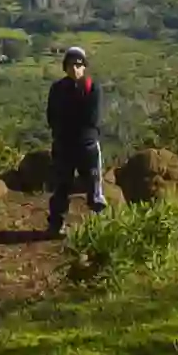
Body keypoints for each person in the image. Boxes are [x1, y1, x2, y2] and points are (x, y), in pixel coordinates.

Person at [45, 46, 107, 237]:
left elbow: (92, 118)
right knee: (62, 186)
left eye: (79, 65)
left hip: (86, 144)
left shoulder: (92, 88)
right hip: (64, 144)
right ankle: (56, 224)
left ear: (84, 67)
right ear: (65, 67)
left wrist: (67, 124)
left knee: (94, 187)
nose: (75, 68)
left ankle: (99, 227)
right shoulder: (57, 88)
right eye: (72, 64)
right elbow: (51, 116)